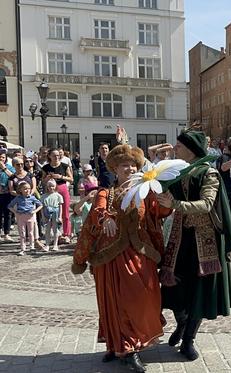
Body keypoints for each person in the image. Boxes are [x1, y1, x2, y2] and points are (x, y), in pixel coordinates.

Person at [71, 145, 170, 372]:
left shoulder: (145, 190)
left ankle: (130, 342)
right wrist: (105, 219)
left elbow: (157, 212)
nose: (129, 168)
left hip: (140, 252)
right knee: (115, 302)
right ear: (115, 169)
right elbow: (98, 210)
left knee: (144, 297)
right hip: (111, 257)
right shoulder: (107, 192)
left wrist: (166, 203)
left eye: (133, 165)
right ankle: (124, 348)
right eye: (124, 165)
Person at [158, 129, 231, 362]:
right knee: (172, 287)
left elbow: (206, 204)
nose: (175, 148)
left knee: (198, 293)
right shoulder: (179, 171)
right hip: (180, 237)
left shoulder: (208, 173)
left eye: (179, 146)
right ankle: (182, 323)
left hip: (204, 240)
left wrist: (175, 204)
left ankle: (189, 340)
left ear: (191, 149)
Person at [42, 148, 73, 242]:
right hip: (50, 190)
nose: (56, 157)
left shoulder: (64, 166)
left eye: (58, 155)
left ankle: (66, 234)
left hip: (62, 187)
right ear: (49, 156)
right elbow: (43, 181)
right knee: (51, 212)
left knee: (65, 212)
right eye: (54, 155)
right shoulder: (46, 167)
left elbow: (71, 179)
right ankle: (55, 233)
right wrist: (47, 178)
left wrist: (61, 177)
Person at [8, 181, 42, 255]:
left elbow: (40, 205)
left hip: (30, 216)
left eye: (29, 189)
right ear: (20, 190)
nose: (27, 190)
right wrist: (15, 212)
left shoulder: (32, 197)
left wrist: (35, 211)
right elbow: (10, 206)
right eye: (25, 189)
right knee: (22, 233)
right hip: (21, 217)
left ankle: (32, 247)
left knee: (31, 233)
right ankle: (23, 248)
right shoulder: (18, 198)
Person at [0, 150, 16, 242]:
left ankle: (6, 234)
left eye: (3, 157)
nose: (1, 159)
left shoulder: (10, 167)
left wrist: (4, 168)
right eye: (0, 157)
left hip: (7, 193)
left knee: (7, 214)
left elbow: (13, 177)